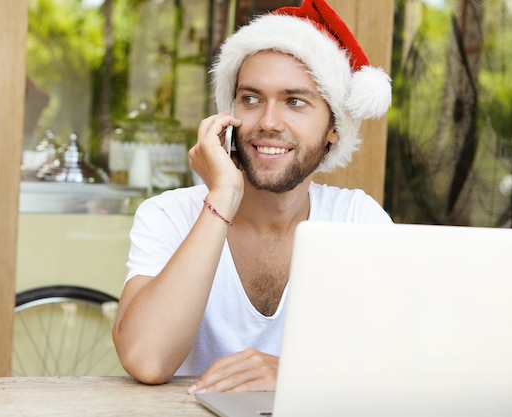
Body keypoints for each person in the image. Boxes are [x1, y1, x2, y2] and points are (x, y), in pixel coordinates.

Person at [112, 0, 392, 394]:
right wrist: (222, 197)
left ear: (335, 128)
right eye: (250, 99)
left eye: (295, 101)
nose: (268, 122)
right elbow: (147, 359)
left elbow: (397, 359)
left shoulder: (358, 221)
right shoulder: (169, 215)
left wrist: (295, 374)